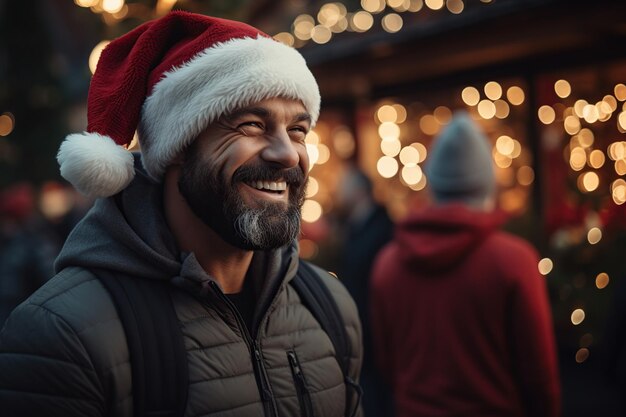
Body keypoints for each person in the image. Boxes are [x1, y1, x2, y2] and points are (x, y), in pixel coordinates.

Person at [0, 11, 362, 417]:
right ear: (177, 148)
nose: (286, 153)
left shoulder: (330, 305)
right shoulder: (61, 334)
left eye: (298, 130)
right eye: (250, 125)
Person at [369, 112, 561, 417]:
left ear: (433, 183)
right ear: (487, 183)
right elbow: (539, 374)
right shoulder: (514, 261)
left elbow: (386, 362)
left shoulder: (388, 264)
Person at [333, 165, 395, 416]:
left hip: (375, 344)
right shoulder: (355, 230)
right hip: (361, 340)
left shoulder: (381, 232)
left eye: (344, 186)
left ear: (359, 191)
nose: (338, 192)